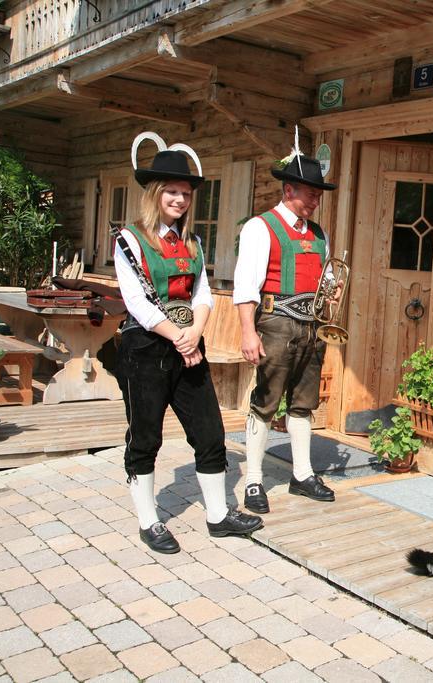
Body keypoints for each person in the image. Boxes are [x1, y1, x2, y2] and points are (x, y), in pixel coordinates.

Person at [116, 133, 261, 554]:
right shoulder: (130, 239)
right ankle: (149, 521)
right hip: (146, 348)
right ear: (156, 194)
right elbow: (138, 303)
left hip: (190, 345)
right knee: (145, 437)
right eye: (172, 192)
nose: (179, 199)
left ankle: (218, 516)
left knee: (209, 431)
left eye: (184, 193)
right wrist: (178, 336)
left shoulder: (193, 243)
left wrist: (195, 332)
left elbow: (201, 293)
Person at [233, 134, 338, 513]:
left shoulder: (319, 233)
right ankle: (255, 480)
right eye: (311, 193)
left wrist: (331, 293)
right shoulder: (260, 228)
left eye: (319, 194)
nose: (316, 200)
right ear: (289, 189)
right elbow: (246, 286)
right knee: (265, 402)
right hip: (276, 322)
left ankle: (302, 475)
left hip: (312, 325)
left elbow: (325, 279)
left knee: (304, 404)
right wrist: (249, 332)